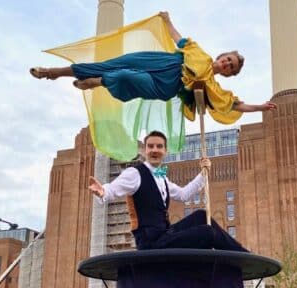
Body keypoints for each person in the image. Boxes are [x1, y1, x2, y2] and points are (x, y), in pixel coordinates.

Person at [30, 12, 276, 123]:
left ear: (229, 74)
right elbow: (178, 38)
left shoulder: (212, 87)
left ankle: (98, 82)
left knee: (124, 76)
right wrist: (168, 20)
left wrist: (260, 107)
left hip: (166, 85)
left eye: (230, 67)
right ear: (222, 55)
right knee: (104, 65)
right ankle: (53, 73)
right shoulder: (198, 52)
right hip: (161, 62)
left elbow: (235, 105)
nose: (226, 63)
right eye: (227, 59)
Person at [89, 130, 249, 252]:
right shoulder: (135, 173)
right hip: (150, 242)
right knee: (207, 233)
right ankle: (241, 260)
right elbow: (114, 189)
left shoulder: (161, 177)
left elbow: (183, 194)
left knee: (201, 215)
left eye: (159, 146)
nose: (154, 150)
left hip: (165, 234)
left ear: (165, 151)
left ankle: (242, 252)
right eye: (150, 146)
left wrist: (203, 173)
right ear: (145, 150)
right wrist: (102, 191)